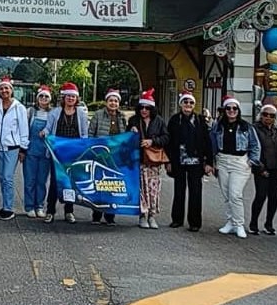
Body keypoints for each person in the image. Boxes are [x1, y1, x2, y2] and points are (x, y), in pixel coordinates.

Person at [210, 95, 260, 238]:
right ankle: (230, 221)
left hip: (240, 161)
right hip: (223, 160)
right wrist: (212, 161)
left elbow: (255, 145)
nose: (231, 111)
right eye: (228, 108)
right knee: (227, 194)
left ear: (238, 110)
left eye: (234, 108)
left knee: (235, 194)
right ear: (225, 110)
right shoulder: (218, 126)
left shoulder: (246, 127)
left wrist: (252, 161)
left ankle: (239, 224)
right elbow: (212, 144)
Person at [166, 91, 213, 232]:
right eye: (185, 102)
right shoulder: (174, 120)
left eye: (191, 102)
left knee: (195, 192)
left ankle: (195, 222)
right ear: (181, 104)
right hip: (178, 161)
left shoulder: (200, 120)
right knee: (179, 191)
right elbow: (169, 142)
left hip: (196, 162)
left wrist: (209, 162)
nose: (188, 105)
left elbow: (207, 142)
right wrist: (167, 161)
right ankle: (177, 219)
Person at [43, 82, 89, 224]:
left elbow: (84, 134)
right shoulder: (55, 113)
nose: (70, 99)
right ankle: (50, 211)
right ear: (63, 98)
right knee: (55, 183)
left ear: (76, 99)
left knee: (70, 182)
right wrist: (44, 133)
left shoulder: (81, 114)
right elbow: (48, 129)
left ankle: (69, 211)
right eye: (68, 96)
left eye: (73, 96)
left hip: (73, 154)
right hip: (57, 153)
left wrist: (84, 148)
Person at [129, 88, 168, 229]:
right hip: (139, 159)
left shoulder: (159, 121)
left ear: (152, 108)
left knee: (153, 189)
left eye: (147, 108)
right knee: (141, 188)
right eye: (142, 107)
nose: (144, 110)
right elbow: (126, 139)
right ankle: (142, 215)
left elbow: (166, 137)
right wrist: (131, 132)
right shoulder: (133, 120)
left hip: (154, 161)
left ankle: (152, 215)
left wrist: (152, 141)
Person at [89, 89, 128, 225]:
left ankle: (110, 216)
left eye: (116, 101)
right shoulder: (98, 115)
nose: (113, 103)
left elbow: (125, 136)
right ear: (106, 102)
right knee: (99, 185)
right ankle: (96, 215)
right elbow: (90, 134)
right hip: (100, 155)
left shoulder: (122, 117)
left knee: (112, 186)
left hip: (115, 156)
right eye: (111, 100)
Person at [0, 76, 29, 221]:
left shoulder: (19, 107)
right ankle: (4, 205)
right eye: (1, 88)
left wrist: (23, 148)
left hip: (13, 147)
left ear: (11, 90)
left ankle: (9, 208)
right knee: (2, 178)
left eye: (6, 88)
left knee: (8, 178)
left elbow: (23, 128)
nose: (4, 91)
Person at [249, 104, 277, 235]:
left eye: (272, 115)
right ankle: (253, 223)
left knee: (273, 198)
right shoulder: (254, 129)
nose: (268, 117)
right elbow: (252, 149)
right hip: (261, 167)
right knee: (260, 196)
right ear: (261, 115)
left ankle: (269, 224)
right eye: (265, 114)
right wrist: (260, 167)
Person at [23, 86, 53, 219]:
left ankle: (39, 206)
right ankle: (29, 206)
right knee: (30, 180)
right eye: (41, 96)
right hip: (31, 151)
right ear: (37, 98)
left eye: (46, 97)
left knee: (41, 181)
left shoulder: (53, 114)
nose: (44, 99)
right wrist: (22, 149)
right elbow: (24, 131)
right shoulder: (30, 112)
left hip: (46, 152)